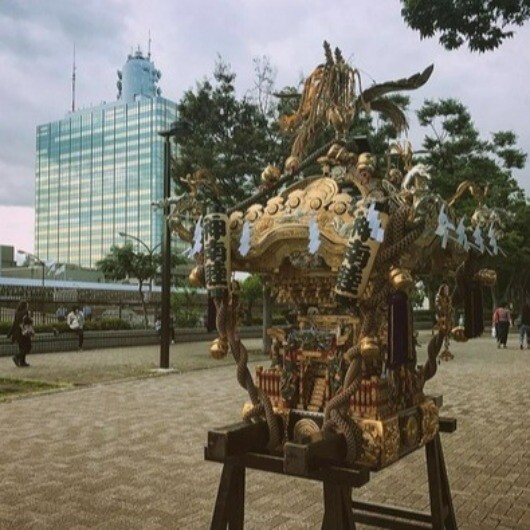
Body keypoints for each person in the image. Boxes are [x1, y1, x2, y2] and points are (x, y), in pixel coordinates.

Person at [7, 300, 31, 367]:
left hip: (17, 333)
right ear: (25, 306)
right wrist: (31, 320)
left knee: (22, 347)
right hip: (23, 332)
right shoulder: (25, 312)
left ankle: (22, 362)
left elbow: (14, 324)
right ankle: (17, 357)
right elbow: (27, 321)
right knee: (28, 347)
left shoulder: (17, 312)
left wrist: (9, 334)